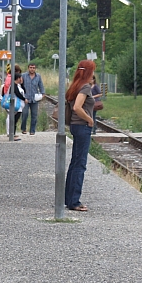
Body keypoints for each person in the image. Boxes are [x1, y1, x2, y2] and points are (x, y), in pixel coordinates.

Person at [64, 60, 96, 212]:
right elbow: (77, 107)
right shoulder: (85, 87)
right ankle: (74, 201)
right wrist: (89, 119)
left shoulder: (75, 85)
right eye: (93, 71)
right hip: (83, 127)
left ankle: (69, 199)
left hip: (76, 127)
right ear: (89, 72)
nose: (94, 74)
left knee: (74, 163)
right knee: (80, 164)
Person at [21, 63, 45, 135]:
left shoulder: (38, 76)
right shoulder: (24, 75)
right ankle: (23, 128)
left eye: (33, 68)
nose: (32, 69)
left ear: (35, 69)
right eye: (31, 67)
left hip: (34, 99)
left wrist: (42, 93)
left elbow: (41, 85)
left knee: (34, 115)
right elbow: (20, 85)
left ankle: (32, 130)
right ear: (28, 68)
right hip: (26, 98)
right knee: (25, 114)